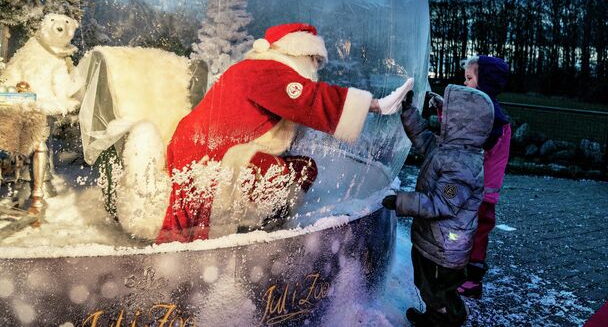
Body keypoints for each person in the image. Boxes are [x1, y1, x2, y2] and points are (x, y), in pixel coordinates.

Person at [156, 22, 412, 243]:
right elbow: (309, 99)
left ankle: (252, 226)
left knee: (303, 168)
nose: (315, 68)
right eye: (313, 60)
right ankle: (211, 248)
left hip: (201, 146)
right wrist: (375, 105)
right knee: (197, 215)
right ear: (297, 52)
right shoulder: (268, 71)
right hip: (205, 151)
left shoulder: (257, 69)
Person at [382, 84, 494, 327]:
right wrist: (408, 112)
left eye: (449, 116)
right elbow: (423, 139)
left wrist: (400, 201)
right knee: (431, 287)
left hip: (443, 249)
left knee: (435, 289)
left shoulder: (461, 167)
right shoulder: (450, 150)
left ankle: (444, 320)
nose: (442, 118)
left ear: (463, 125)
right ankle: (443, 314)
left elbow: (441, 204)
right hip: (435, 242)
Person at [457, 55, 511, 298]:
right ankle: (458, 269)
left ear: (484, 83)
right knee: (463, 228)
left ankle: (472, 280)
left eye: (469, 78)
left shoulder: (494, 119)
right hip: (469, 187)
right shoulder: (485, 113)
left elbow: (480, 147)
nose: (466, 83)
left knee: (476, 232)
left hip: (480, 193)